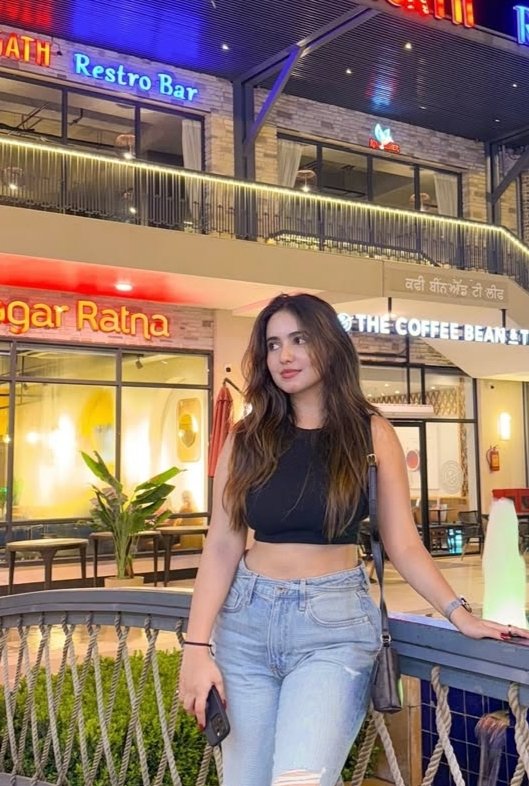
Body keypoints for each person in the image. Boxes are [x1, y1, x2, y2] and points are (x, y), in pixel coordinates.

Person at [178, 293, 528, 786]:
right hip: (246, 626)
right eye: (273, 344)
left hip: (333, 629)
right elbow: (221, 545)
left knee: (298, 780)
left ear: (329, 345)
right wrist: (196, 647)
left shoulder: (371, 433)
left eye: (299, 340)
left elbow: (402, 542)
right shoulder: (246, 438)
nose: (284, 356)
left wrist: (459, 613)